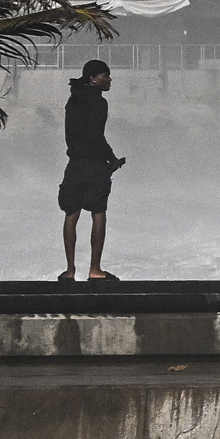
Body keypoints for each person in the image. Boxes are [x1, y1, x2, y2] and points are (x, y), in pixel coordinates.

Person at [57, 60, 126, 281]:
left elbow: (73, 134)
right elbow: (95, 135)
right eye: (106, 76)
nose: (109, 80)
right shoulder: (99, 102)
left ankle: (70, 271)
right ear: (93, 78)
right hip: (94, 166)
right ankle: (95, 270)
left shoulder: (73, 99)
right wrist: (112, 160)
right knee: (98, 213)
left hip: (74, 164)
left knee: (71, 214)